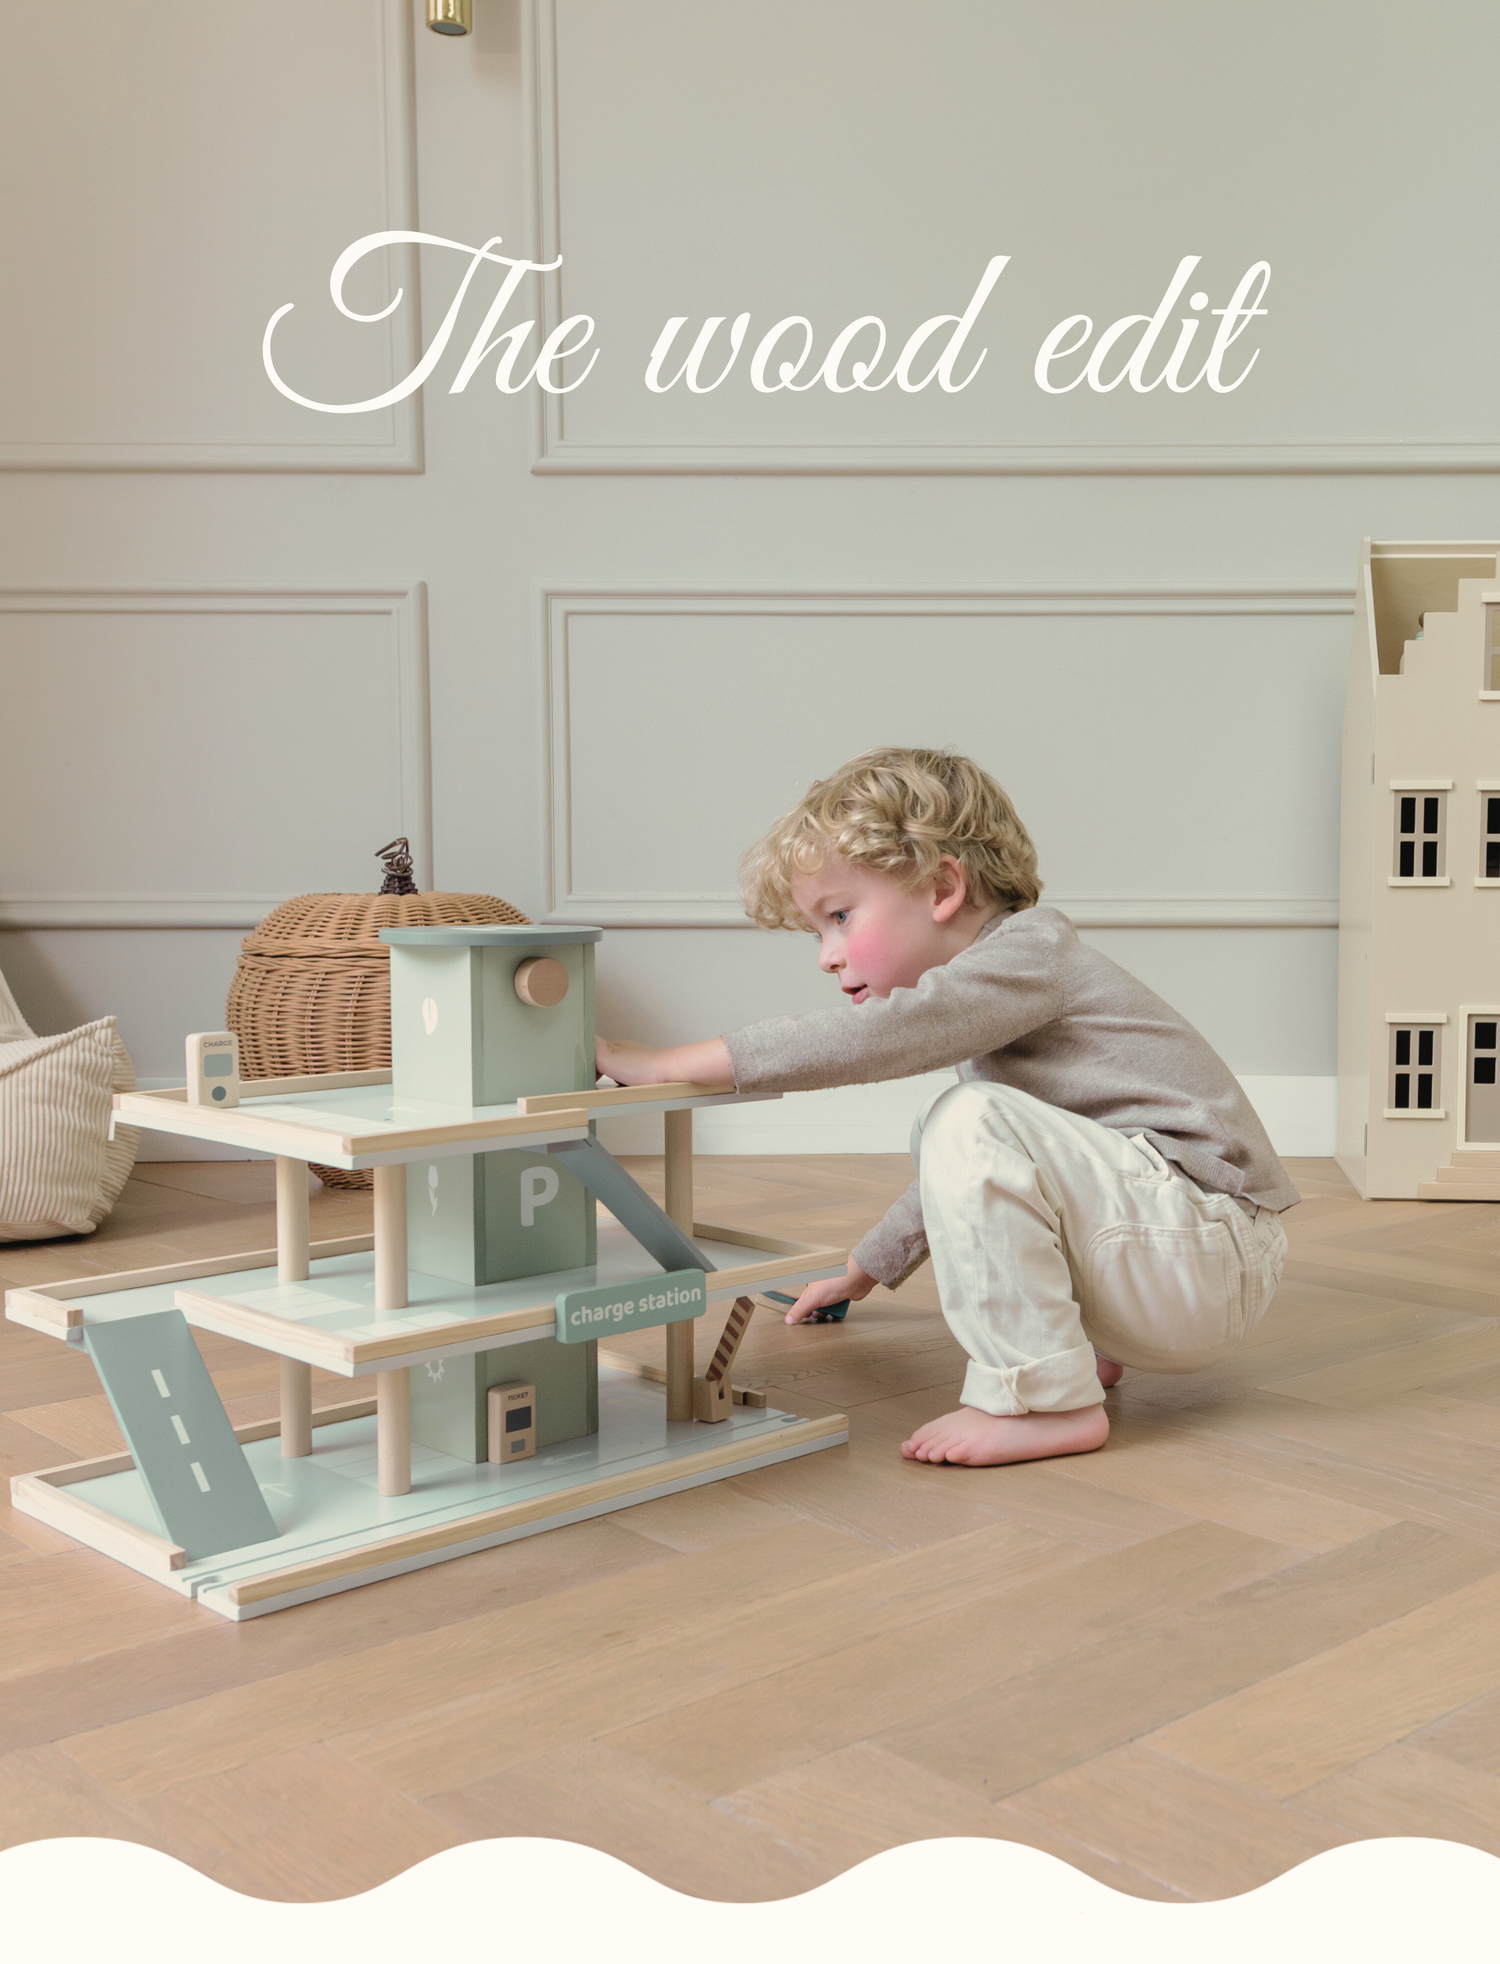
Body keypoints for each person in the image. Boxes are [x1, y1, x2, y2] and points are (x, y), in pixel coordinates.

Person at [595, 747, 1295, 1467]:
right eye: (818, 932)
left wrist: (668, 1064)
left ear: (942, 887)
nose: (826, 955)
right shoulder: (998, 996)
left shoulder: (1032, 953)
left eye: (839, 917)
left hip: (1208, 1255)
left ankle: (1041, 1404)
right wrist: (863, 1268)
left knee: (966, 1120)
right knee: (965, 1125)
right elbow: (990, 1175)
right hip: (1170, 1258)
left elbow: (876, 1041)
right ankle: (1073, 1351)